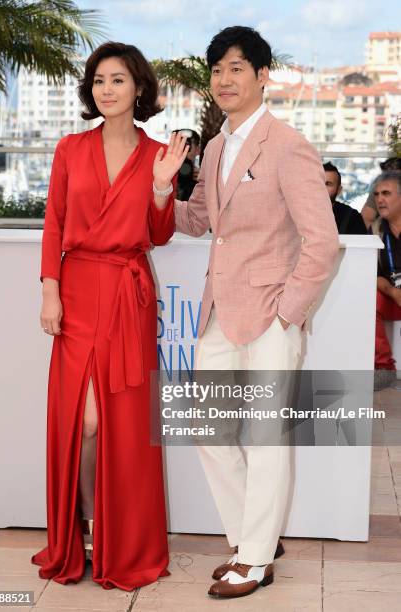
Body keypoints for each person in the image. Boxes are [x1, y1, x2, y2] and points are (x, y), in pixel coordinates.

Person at [173, 26, 339, 599]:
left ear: (262, 75)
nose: (224, 79)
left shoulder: (288, 144)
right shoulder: (215, 147)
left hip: (270, 313)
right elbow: (197, 221)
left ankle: (255, 557)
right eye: (217, 69)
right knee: (209, 429)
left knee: (267, 438)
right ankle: (255, 537)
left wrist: (288, 313)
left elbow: (323, 242)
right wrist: (153, 188)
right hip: (218, 311)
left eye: (236, 68)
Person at [31, 41, 188, 590]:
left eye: (118, 79)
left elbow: (161, 233)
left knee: (121, 424)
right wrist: (50, 292)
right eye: (99, 80)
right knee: (84, 420)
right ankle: (84, 530)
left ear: (139, 88)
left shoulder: (154, 154)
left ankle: (122, 540)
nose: (107, 89)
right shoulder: (70, 148)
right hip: (76, 292)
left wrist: (165, 186)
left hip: (128, 295)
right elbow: (54, 223)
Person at [370, 171, 401, 391]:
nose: (380, 199)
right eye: (377, 194)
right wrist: (393, 292)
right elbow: (374, 274)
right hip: (394, 296)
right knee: (369, 299)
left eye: (386, 193)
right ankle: (384, 368)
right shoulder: (376, 230)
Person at [323, 162, 367, 234]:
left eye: (328, 184)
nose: (322, 187)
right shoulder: (300, 214)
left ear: (339, 190)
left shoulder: (352, 217)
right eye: (319, 183)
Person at [361, 158, 401, 228]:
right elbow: (367, 217)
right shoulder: (379, 191)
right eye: (384, 177)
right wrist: (379, 236)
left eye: (394, 178)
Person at [172, 129, 201, 200]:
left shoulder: (202, 177)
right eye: (179, 142)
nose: (182, 147)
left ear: (198, 149)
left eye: (186, 144)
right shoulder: (162, 172)